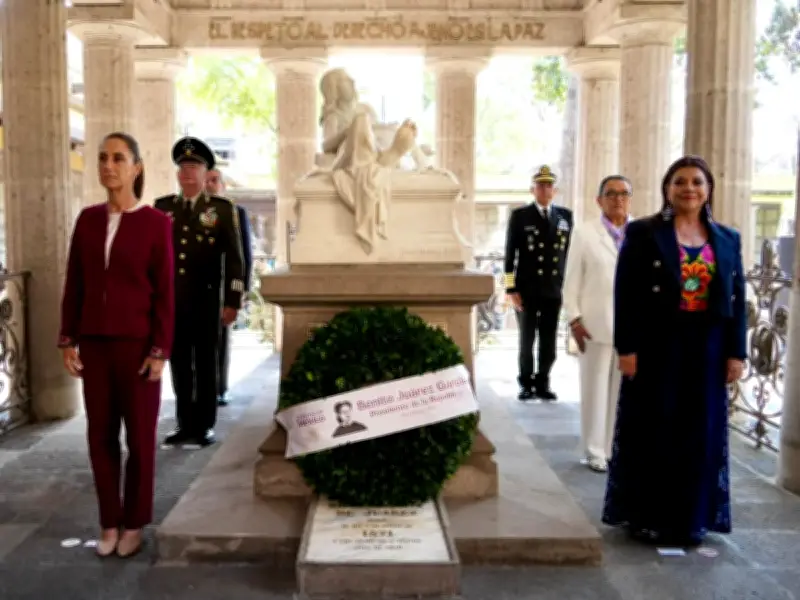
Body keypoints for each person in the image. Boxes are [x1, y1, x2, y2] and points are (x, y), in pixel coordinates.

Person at [602, 155, 746, 546]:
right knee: (655, 427)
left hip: (709, 349)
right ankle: (646, 516)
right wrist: (626, 348)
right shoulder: (644, 233)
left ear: (708, 189)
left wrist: (737, 352)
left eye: (697, 182)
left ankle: (691, 518)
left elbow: (738, 299)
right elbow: (626, 294)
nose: (689, 188)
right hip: (656, 346)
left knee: (700, 433)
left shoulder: (728, 238)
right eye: (680, 181)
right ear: (667, 188)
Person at [59, 132, 174, 558]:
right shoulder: (87, 220)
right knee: (100, 437)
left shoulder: (156, 223)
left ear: (136, 167)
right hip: (94, 345)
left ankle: (134, 522)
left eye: (118, 158)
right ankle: (108, 520)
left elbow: (165, 292)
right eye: (103, 158)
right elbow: (75, 283)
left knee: (140, 439)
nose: (109, 165)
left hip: (138, 348)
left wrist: (160, 350)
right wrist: (67, 337)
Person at [154, 137, 245, 448]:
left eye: (194, 167)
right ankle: (184, 424)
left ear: (207, 173)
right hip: (174, 303)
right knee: (179, 365)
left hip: (207, 302)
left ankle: (204, 425)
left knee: (206, 364)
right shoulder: (164, 208)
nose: (187, 173)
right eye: (183, 167)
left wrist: (233, 300)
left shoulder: (220, 210)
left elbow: (235, 260)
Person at [562, 175, 632, 473]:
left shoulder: (640, 232)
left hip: (631, 326)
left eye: (624, 194)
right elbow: (571, 281)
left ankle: (613, 446)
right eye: (611, 193)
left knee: (621, 391)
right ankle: (594, 449)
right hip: (594, 323)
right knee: (594, 388)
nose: (618, 199)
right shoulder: (585, 233)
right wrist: (574, 318)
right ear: (599, 200)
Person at [504, 165, 573, 401]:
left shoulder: (565, 216)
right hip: (526, 290)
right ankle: (525, 383)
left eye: (549, 185)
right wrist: (510, 289)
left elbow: (570, 255)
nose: (545, 189)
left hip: (553, 289)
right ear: (532, 189)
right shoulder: (520, 216)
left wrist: (570, 287)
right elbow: (509, 255)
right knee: (526, 340)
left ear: (555, 190)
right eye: (540, 185)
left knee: (549, 341)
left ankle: (543, 381)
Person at [205, 168, 253, 407]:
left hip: (223, 291)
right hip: (197, 290)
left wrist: (240, 292)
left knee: (220, 342)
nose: (210, 185)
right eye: (207, 181)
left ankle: (219, 388)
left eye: (214, 181)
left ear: (223, 185)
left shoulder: (235, 213)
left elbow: (245, 255)